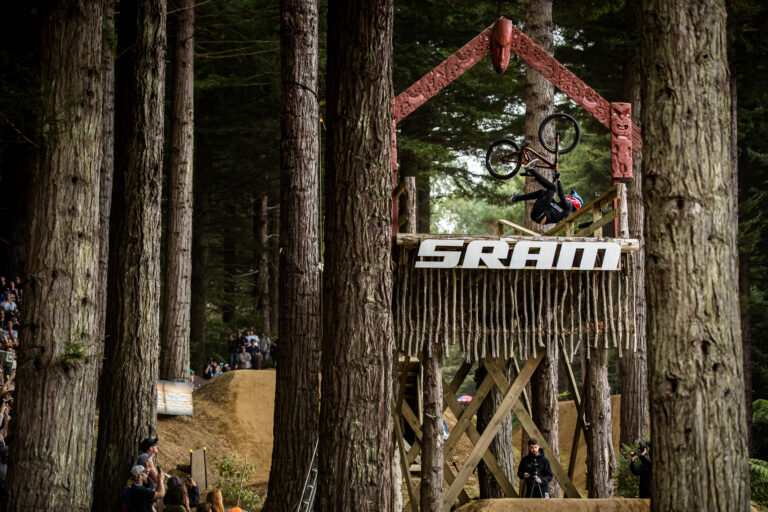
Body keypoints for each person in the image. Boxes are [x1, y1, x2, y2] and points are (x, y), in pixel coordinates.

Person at [512, 169, 583, 225]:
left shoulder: (569, 207)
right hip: (538, 216)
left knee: (553, 188)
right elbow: (549, 198)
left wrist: (558, 180)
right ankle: (517, 198)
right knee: (542, 192)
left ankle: (533, 171)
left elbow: (561, 195)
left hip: (541, 214)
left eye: (572, 196)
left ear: (575, 201)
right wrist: (554, 181)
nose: (569, 197)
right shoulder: (564, 210)